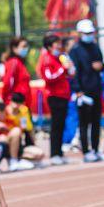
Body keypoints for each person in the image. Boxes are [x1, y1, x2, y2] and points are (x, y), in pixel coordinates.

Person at [68, 19, 104, 162]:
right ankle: (86, 151)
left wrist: (101, 66)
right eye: (86, 33)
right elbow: (73, 72)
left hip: (96, 88)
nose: (89, 35)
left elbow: (101, 64)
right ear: (80, 33)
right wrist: (78, 90)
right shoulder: (75, 51)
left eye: (91, 32)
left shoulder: (95, 47)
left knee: (96, 122)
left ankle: (96, 149)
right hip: (83, 92)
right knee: (84, 123)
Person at [37, 34, 72, 165]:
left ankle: (59, 152)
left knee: (61, 125)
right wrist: (64, 69)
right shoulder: (47, 59)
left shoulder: (57, 58)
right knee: (56, 126)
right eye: (56, 44)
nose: (59, 46)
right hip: (54, 96)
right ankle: (54, 154)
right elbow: (49, 77)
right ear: (50, 46)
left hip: (63, 95)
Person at [1, 37, 32, 110]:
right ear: (14, 48)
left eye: (26, 46)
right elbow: (7, 83)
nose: (26, 49)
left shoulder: (20, 63)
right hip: (16, 106)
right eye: (23, 46)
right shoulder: (14, 63)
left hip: (23, 105)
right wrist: (9, 102)